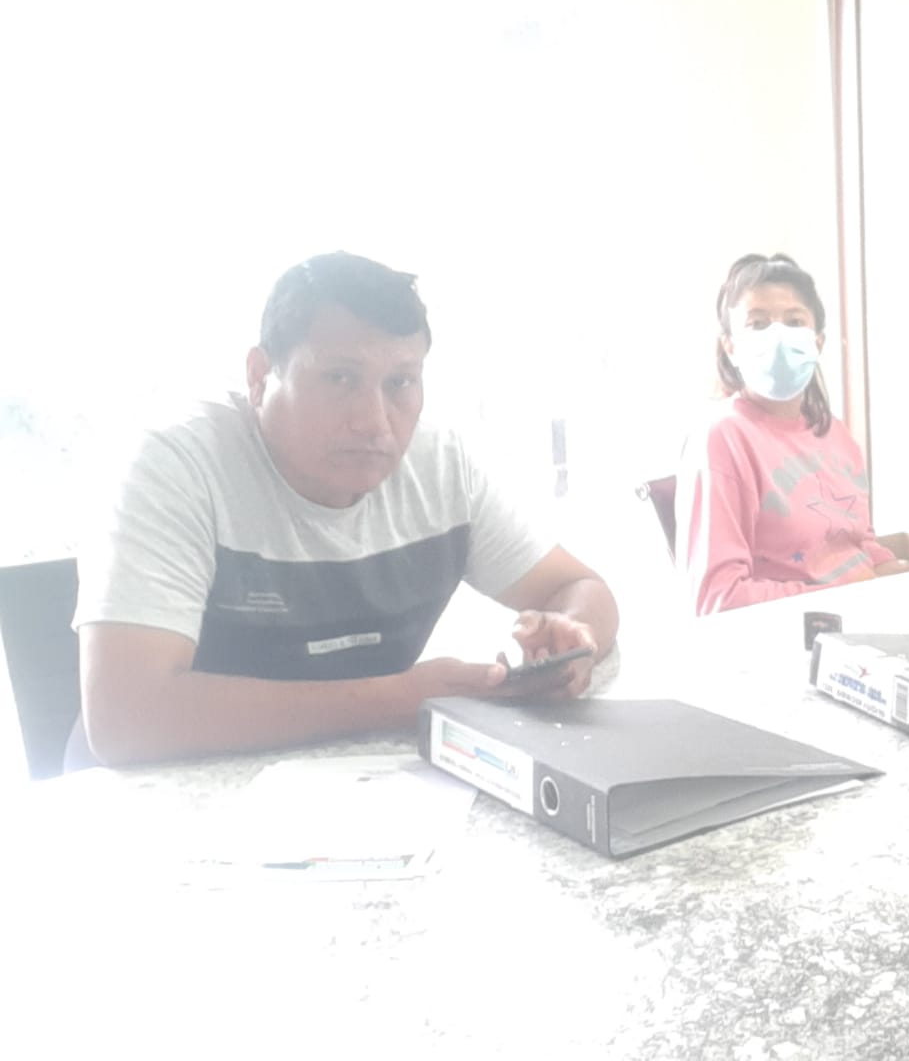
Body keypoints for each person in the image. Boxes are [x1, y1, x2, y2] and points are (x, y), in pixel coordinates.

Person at [74, 252, 619, 766]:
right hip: (163, 795)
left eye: (400, 383)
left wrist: (573, 641)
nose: (374, 422)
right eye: (339, 378)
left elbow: (580, 587)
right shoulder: (175, 464)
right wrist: (398, 698)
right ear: (259, 376)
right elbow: (125, 717)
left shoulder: (439, 464)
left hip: (354, 783)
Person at [675, 253, 909, 615]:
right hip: (793, 635)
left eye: (794, 321)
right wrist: (848, 593)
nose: (778, 337)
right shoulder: (722, 438)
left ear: (817, 342)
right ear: (730, 346)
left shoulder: (835, 433)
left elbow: (856, 542)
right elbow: (716, 598)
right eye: (757, 324)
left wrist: (894, 572)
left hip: (861, 617)